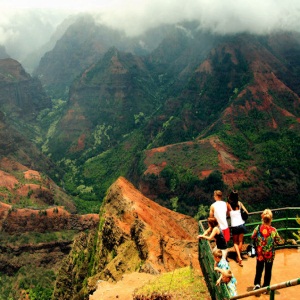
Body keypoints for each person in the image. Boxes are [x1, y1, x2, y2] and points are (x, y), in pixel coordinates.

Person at [252, 209, 284, 291]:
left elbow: (252, 236)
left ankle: (257, 284)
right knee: (268, 270)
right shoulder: (273, 230)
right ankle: (266, 287)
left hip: (260, 253)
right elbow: (279, 241)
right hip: (269, 254)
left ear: (262, 218)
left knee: (259, 269)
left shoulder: (258, 227)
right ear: (271, 219)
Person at [227, 190, 248, 267]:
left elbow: (227, 214)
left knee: (235, 242)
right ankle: (238, 257)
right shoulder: (239, 203)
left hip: (235, 225)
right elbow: (246, 212)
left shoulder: (228, 205)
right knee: (240, 241)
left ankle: (238, 257)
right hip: (242, 224)